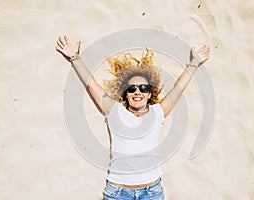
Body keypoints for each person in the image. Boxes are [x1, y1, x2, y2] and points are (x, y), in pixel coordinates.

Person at [56, 35, 210, 200]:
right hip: (118, 193)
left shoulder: (158, 112)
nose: (138, 92)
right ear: (126, 94)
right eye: (132, 88)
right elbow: (91, 84)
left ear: (149, 93)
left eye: (143, 88)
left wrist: (194, 63)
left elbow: (178, 88)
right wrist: (75, 57)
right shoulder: (115, 111)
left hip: (152, 192)